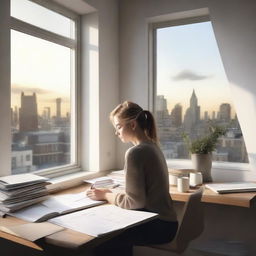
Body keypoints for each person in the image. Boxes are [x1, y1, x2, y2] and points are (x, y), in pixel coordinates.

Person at [86, 101, 178, 256]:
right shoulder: (152, 146)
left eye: (118, 126)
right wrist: (113, 193)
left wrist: (106, 195)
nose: (116, 132)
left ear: (133, 124)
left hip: (158, 226)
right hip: (167, 223)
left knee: (104, 238)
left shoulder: (136, 152)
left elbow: (134, 202)